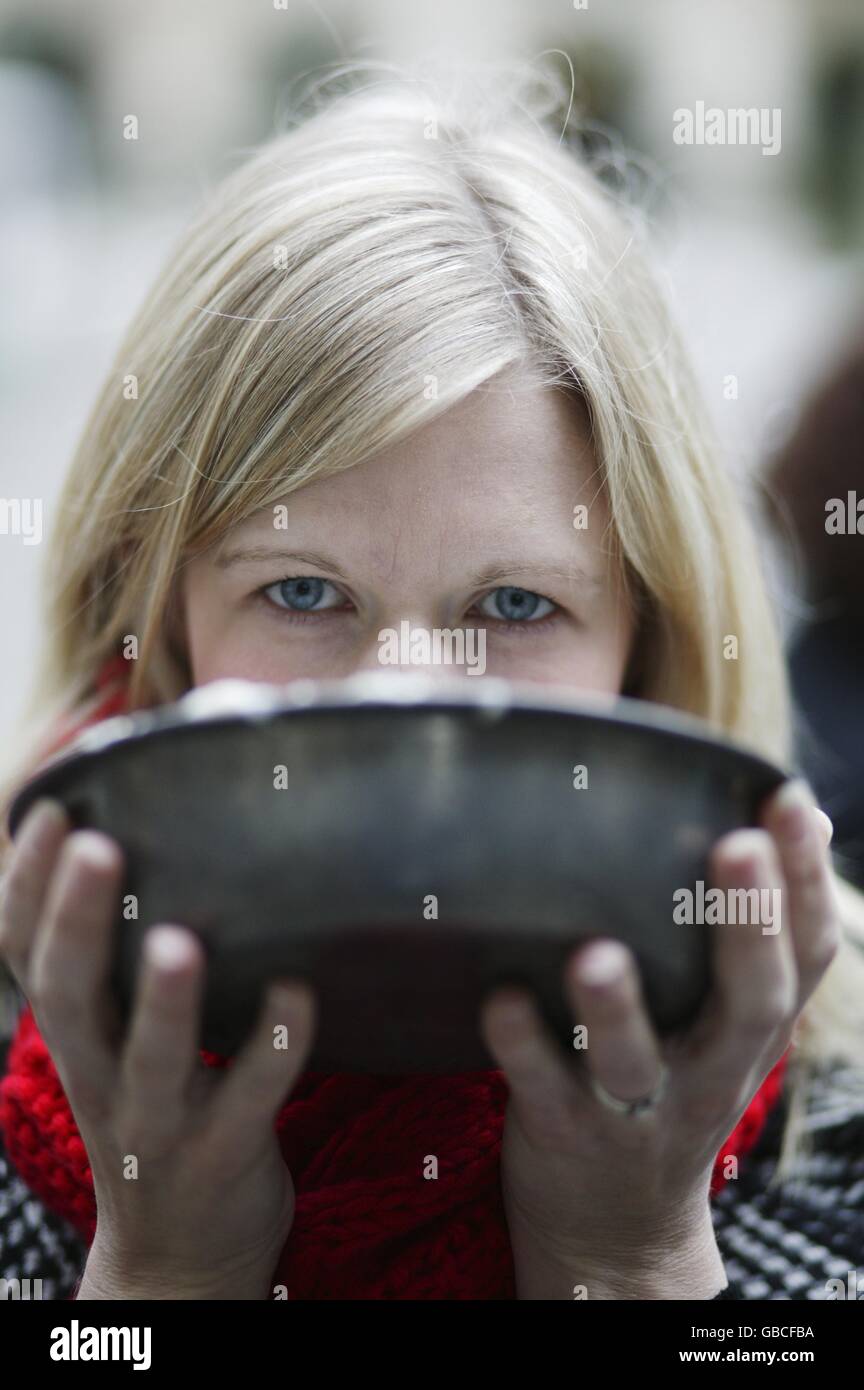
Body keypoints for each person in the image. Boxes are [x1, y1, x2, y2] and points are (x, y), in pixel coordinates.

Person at [1, 62, 863, 1302]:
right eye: (302, 592)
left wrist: (630, 1262)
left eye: (515, 605)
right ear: (159, 619)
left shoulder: (840, 1131)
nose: (407, 699)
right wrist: (164, 1273)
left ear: (652, 649)